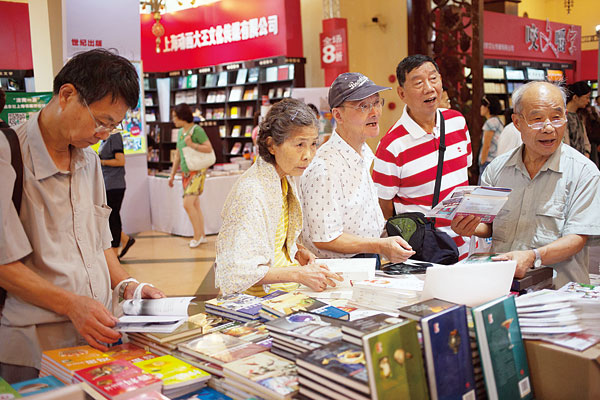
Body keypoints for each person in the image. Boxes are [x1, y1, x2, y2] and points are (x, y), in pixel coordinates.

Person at [0, 49, 164, 383]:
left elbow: (100, 243)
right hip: (35, 347)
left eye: (113, 126)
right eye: (101, 121)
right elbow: (4, 266)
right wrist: (72, 305)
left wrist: (128, 285)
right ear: (67, 94)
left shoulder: (88, 162)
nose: (104, 134)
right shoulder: (8, 155)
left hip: (95, 338)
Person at [451, 81, 600, 288]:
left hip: (557, 295)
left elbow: (577, 238)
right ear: (517, 122)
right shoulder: (497, 169)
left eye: (557, 117)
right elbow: (490, 226)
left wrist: (533, 256)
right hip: (502, 288)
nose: (549, 127)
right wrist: (471, 226)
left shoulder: (584, 172)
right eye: (537, 119)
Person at [215, 98, 342, 295]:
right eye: (299, 144)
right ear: (272, 145)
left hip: (286, 291)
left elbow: (270, 239)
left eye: (313, 144)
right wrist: (298, 275)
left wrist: (296, 250)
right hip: (260, 302)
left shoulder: (284, 178)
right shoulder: (252, 192)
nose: (308, 155)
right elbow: (237, 271)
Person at [300, 72, 415, 265]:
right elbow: (325, 237)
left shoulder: (363, 153)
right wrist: (379, 245)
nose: (375, 112)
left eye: (377, 103)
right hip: (340, 277)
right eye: (363, 106)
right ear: (338, 115)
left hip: (368, 262)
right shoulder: (324, 167)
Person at [372, 55, 473, 259]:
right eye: (418, 83)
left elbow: (463, 175)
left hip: (467, 248)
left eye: (433, 79)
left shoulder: (457, 121)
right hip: (426, 255)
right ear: (402, 93)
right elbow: (383, 207)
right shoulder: (391, 145)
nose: (429, 88)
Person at [168, 103, 213, 248]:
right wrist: (172, 174)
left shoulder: (196, 130)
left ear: (182, 117)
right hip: (186, 173)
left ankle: (197, 236)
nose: (173, 120)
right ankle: (202, 235)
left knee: (187, 204)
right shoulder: (181, 132)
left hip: (197, 171)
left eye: (175, 117)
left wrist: (192, 145)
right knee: (195, 204)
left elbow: (209, 148)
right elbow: (178, 156)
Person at [98, 131, 136, 259]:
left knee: (112, 217)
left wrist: (101, 162)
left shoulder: (114, 136)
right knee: (110, 217)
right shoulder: (105, 138)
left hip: (114, 184)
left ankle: (115, 251)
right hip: (108, 183)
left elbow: (120, 161)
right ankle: (125, 239)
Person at [479, 95, 504, 177]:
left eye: (483, 105)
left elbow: (486, 145)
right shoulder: (498, 121)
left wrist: (482, 161)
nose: (481, 107)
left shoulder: (490, 123)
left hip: (488, 162)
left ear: (488, 107)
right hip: (496, 161)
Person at [566, 81, 592, 158]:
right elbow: (566, 142)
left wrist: (587, 152)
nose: (588, 101)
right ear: (575, 97)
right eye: (586, 97)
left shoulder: (579, 115)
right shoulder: (563, 116)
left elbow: (585, 138)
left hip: (581, 158)